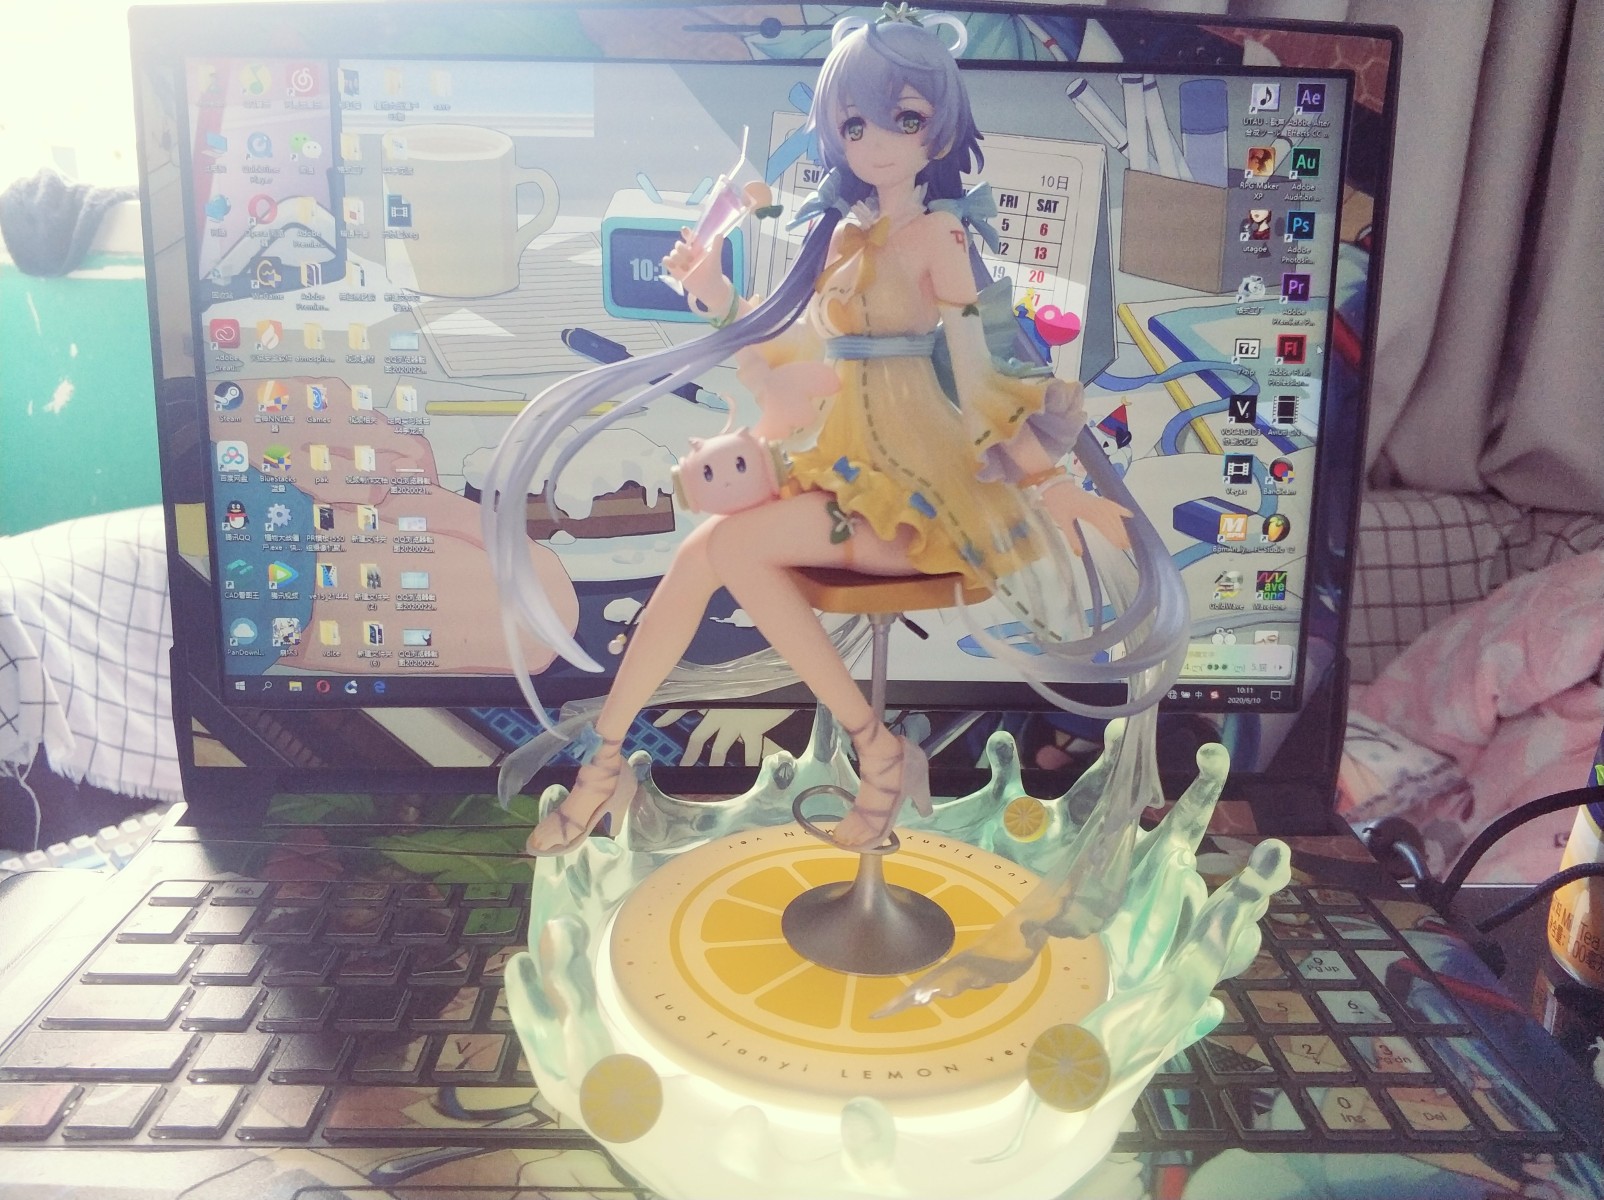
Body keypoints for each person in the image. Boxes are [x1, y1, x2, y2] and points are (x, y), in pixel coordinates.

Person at [483, 9, 1184, 858]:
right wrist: (716, 294)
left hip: (917, 495)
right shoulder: (845, 236)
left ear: (939, 131)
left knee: (728, 548)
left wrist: (1041, 465)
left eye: (904, 119)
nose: (876, 143)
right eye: (855, 125)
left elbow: (981, 365)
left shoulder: (941, 236)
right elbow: (797, 350)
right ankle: (606, 760)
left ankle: (870, 748)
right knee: (704, 552)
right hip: (844, 467)